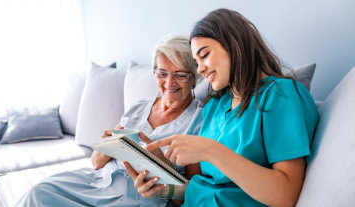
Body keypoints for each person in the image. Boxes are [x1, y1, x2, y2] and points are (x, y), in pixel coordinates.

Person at [126, 8, 319, 207]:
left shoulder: (281, 95)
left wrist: (211, 151)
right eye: (196, 62)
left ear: (234, 45)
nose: (199, 69)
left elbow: (285, 195)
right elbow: (207, 187)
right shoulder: (215, 107)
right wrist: (165, 189)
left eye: (204, 55)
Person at [15, 34, 203, 207]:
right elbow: (96, 163)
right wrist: (107, 145)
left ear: (194, 77)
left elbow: (193, 197)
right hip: (99, 182)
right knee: (38, 192)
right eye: (162, 73)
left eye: (179, 75)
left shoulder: (199, 120)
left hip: (138, 198)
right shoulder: (139, 106)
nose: (169, 83)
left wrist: (165, 168)